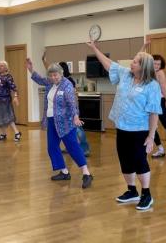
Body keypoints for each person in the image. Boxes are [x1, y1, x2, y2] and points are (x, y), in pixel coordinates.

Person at [86, 40, 161, 210]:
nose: (131, 64)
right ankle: (132, 191)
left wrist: (150, 137)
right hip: (122, 127)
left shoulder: (152, 86)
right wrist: (95, 49)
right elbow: (108, 64)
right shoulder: (126, 74)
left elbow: (154, 112)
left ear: (143, 67)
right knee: (125, 160)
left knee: (139, 161)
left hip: (139, 130)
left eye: (135, 62)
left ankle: (146, 194)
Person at [26, 58, 93, 188]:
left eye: (55, 75)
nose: (53, 77)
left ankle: (86, 173)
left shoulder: (67, 85)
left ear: (61, 74)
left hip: (66, 122)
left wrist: (75, 116)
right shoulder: (50, 83)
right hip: (52, 120)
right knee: (52, 147)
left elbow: (72, 103)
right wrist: (31, 70)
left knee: (72, 147)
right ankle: (64, 171)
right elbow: (40, 79)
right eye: (51, 75)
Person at [42, 52, 90, 157]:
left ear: (61, 71)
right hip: (68, 110)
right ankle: (71, 148)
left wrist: (74, 114)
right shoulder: (60, 80)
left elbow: (70, 97)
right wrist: (44, 61)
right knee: (68, 130)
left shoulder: (68, 81)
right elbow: (50, 71)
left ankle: (85, 149)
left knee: (77, 129)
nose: (53, 76)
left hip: (71, 110)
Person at [151, 54, 166, 158]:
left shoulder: (160, 73)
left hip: (160, 101)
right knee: (151, 126)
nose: (156, 65)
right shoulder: (148, 72)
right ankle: (160, 149)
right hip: (150, 103)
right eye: (155, 63)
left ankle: (160, 149)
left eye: (158, 64)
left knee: (165, 123)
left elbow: (164, 87)